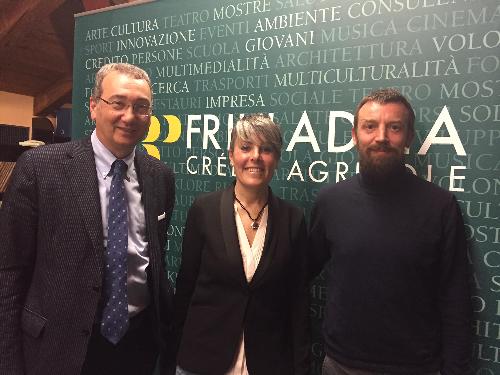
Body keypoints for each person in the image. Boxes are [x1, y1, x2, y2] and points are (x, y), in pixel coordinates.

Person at [0, 63, 175, 375]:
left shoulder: (160, 176)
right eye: (118, 103)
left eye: (141, 107)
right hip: (57, 349)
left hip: (138, 347)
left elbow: (154, 260)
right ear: (94, 107)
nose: (129, 115)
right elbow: (9, 271)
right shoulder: (40, 168)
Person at [309, 88, 471, 375]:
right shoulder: (330, 201)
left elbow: (456, 299)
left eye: (394, 127)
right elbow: (300, 271)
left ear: (408, 137)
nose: (381, 136)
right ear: (354, 135)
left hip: (416, 367)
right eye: (370, 126)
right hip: (340, 365)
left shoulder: (440, 206)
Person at [173, 113, 310, 375]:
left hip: (269, 362)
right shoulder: (204, 210)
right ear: (231, 155)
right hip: (202, 360)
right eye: (246, 147)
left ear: (277, 158)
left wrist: (300, 367)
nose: (255, 156)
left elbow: (298, 302)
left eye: (266, 149)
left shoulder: (293, 220)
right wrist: (173, 355)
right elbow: (186, 287)